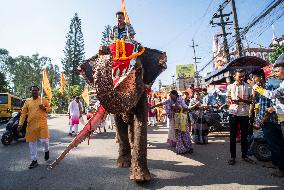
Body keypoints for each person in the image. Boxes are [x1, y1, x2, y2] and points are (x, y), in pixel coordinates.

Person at [247, 54, 284, 177]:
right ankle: (277, 164)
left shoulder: (270, 86)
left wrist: (264, 119)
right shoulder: (260, 88)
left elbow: (272, 104)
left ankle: (281, 169)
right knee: (273, 144)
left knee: (275, 144)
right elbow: (258, 103)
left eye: (254, 78)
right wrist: (254, 89)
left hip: (271, 121)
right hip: (265, 120)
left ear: (260, 78)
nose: (253, 81)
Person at [18, 86, 51, 169]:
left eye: (36, 90)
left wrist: (44, 108)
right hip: (31, 125)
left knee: (44, 141)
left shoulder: (43, 100)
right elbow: (23, 113)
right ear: (31, 92)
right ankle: (34, 160)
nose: (34, 92)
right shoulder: (27, 101)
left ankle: (46, 150)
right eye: (33, 90)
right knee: (32, 143)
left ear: (38, 91)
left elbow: (49, 109)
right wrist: (20, 124)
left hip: (42, 124)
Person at [226, 69, 253, 165]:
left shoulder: (249, 87)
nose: (242, 78)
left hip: (244, 113)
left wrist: (242, 100)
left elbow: (251, 101)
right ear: (234, 76)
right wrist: (229, 101)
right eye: (240, 76)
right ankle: (232, 157)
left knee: (244, 136)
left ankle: (244, 155)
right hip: (233, 113)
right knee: (232, 136)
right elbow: (228, 99)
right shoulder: (230, 87)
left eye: (243, 76)